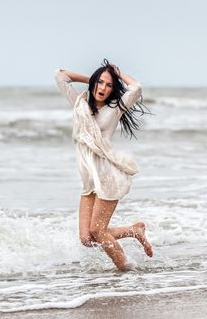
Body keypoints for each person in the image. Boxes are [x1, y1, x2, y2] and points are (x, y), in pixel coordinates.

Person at [54, 59, 153, 271]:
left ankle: (126, 271)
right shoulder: (79, 103)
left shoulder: (116, 108)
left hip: (107, 176)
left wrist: (118, 73)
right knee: (86, 238)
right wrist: (90, 79)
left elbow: (136, 87)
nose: (103, 88)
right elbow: (60, 76)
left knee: (98, 231)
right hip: (89, 179)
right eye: (100, 83)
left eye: (109, 85)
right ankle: (133, 231)